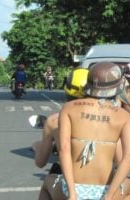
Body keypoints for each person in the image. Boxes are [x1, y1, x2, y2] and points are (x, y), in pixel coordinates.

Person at [40, 62, 130, 200]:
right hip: (105, 191)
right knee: (129, 186)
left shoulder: (68, 108)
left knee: (47, 183)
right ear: (116, 87)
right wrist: (108, 196)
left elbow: (64, 149)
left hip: (73, 189)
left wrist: (72, 193)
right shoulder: (124, 116)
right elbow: (129, 157)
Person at [31, 68, 89, 200]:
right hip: (102, 185)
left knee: (47, 183)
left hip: (70, 188)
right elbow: (125, 159)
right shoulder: (110, 119)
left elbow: (40, 162)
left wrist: (37, 148)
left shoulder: (54, 121)